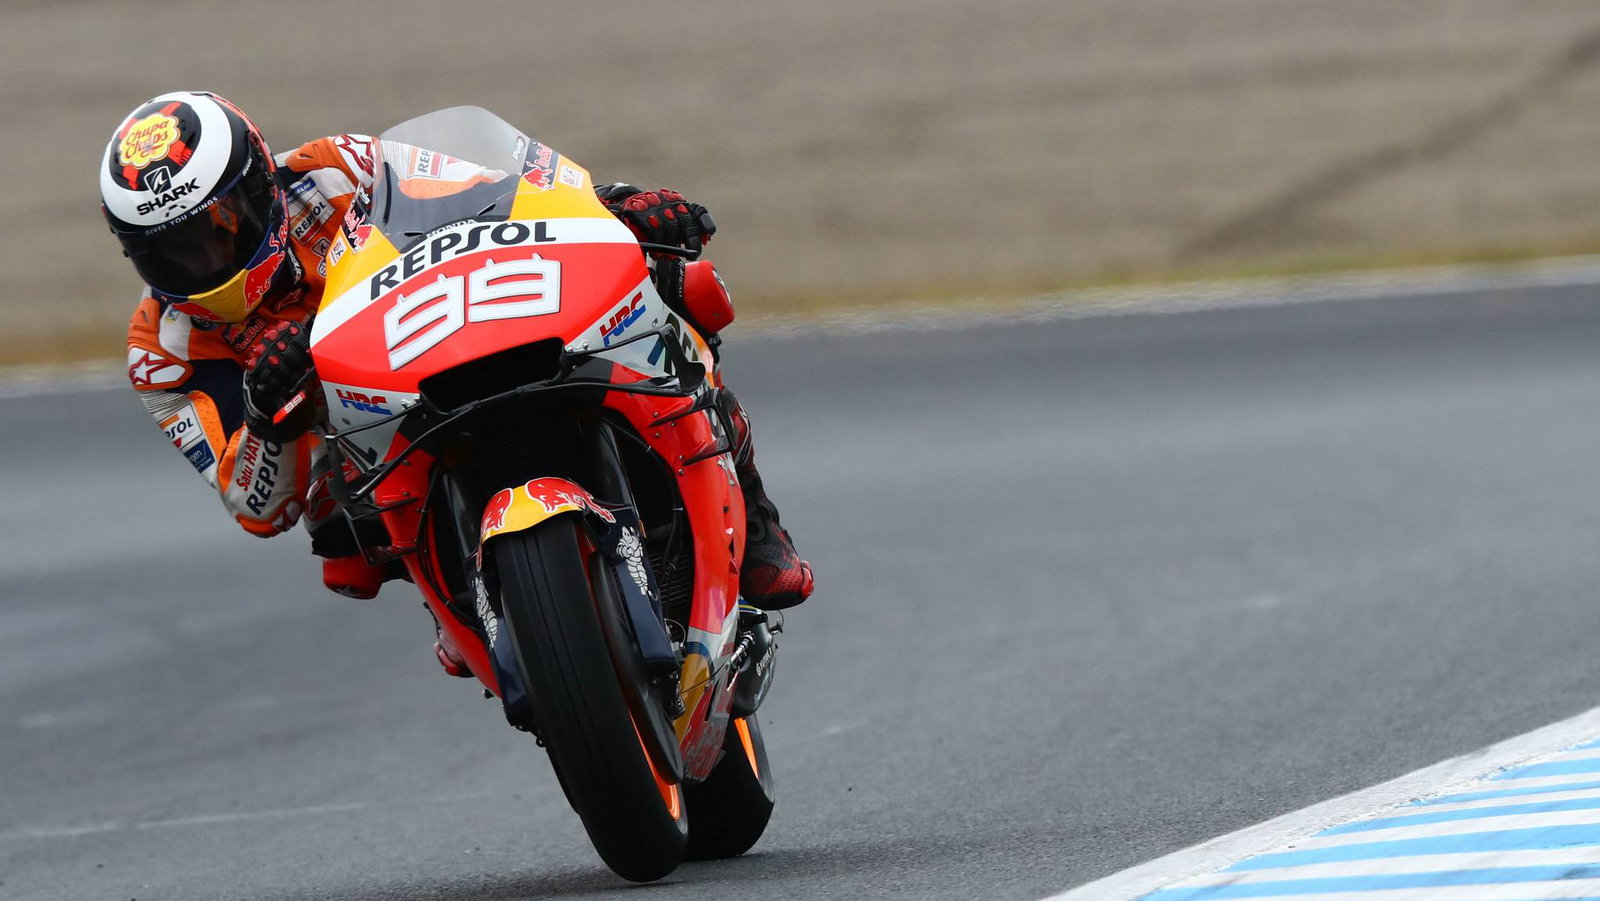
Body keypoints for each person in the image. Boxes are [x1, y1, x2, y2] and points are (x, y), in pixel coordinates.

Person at [103, 91, 813, 673]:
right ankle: (455, 590)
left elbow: (500, 189)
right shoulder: (160, 350)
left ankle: (755, 523)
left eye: (219, 229)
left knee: (676, 289)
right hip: (359, 435)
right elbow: (256, 507)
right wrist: (266, 410)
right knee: (333, 524)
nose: (204, 260)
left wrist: (616, 207)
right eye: (173, 253)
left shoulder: (337, 170)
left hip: (457, 324)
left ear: (259, 183)